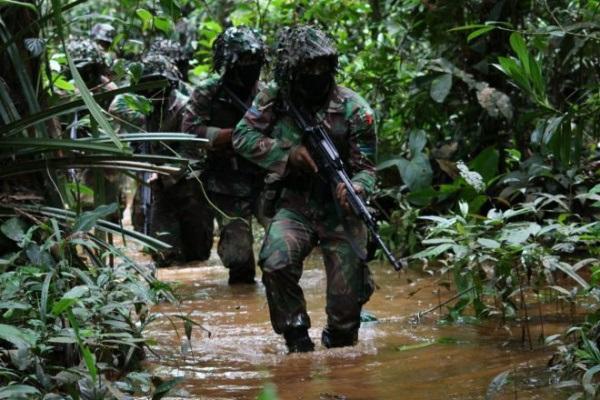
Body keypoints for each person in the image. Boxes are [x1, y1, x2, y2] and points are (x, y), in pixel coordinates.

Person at [232, 26, 377, 352]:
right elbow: (242, 137)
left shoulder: (356, 110)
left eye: (321, 66)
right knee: (275, 262)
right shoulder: (274, 99)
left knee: (345, 314)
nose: (315, 74)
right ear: (291, 70)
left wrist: (356, 187)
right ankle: (296, 337)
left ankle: (340, 348)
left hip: (340, 210)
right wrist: (287, 154)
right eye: (306, 68)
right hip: (294, 203)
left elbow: (367, 167)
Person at [181, 26, 266, 284]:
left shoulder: (266, 94)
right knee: (239, 257)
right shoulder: (208, 92)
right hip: (225, 183)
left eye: (254, 60)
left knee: (282, 248)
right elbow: (190, 131)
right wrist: (233, 135)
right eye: (243, 61)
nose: (249, 67)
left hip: (266, 181)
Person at [109, 53, 211, 266]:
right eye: (147, 85)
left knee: (196, 256)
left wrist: (165, 171)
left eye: (158, 84)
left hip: (190, 187)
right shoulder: (143, 109)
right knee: (164, 255)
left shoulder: (186, 107)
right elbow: (115, 107)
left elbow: (192, 153)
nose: (153, 90)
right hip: (161, 190)